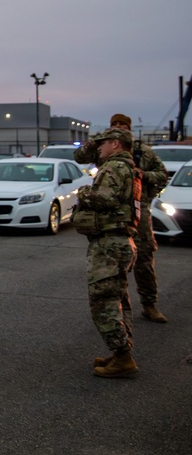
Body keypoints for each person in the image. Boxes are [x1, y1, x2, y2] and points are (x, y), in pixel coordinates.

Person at [74, 113, 168, 323]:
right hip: (111, 210)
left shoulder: (141, 151)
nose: (119, 127)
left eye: (122, 124)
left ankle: (149, 303)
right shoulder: (104, 148)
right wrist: (96, 142)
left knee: (144, 255)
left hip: (137, 207)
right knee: (112, 259)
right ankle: (116, 308)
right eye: (114, 125)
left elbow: (162, 174)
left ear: (129, 128)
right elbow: (79, 156)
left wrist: (143, 175)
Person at [74, 128, 141, 378]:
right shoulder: (128, 167)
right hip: (119, 241)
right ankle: (121, 351)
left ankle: (123, 356)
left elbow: (103, 198)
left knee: (103, 302)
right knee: (118, 300)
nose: (98, 148)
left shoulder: (115, 167)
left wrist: (83, 193)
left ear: (115, 143)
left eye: (102, 143)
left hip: (110, 244)